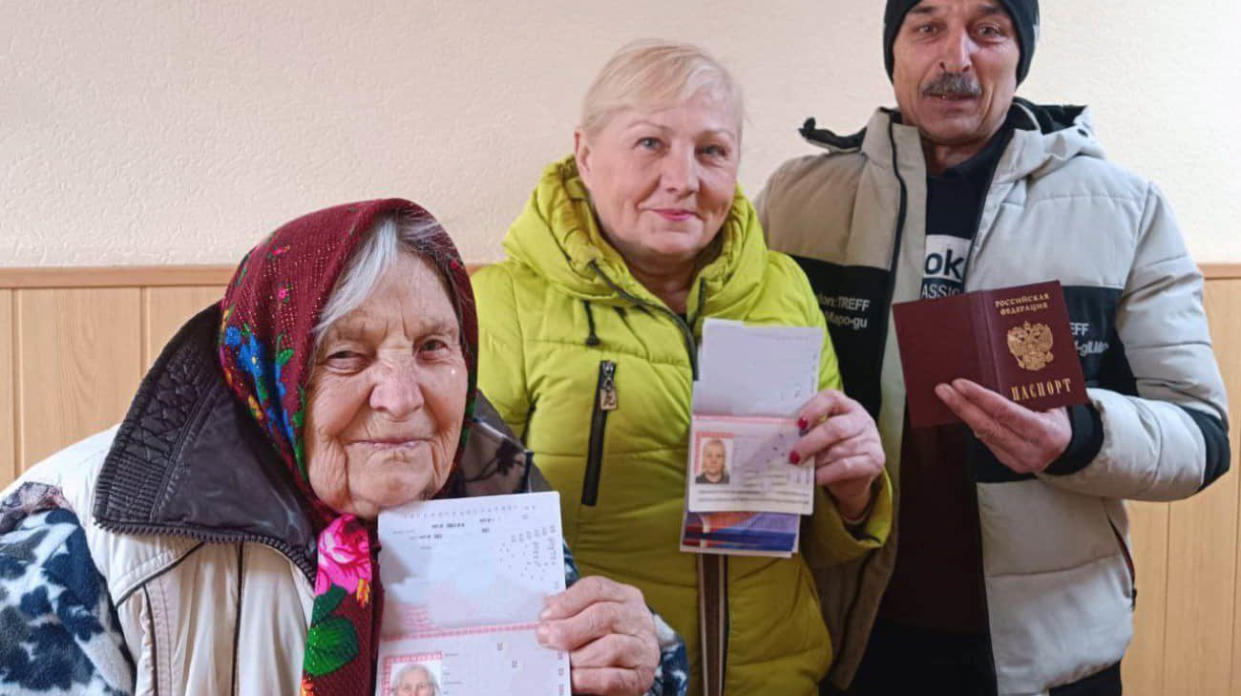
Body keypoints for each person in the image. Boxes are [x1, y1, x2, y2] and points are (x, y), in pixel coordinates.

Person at [0, 200, 690, 696]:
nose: (400, 396)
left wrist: (640, 665)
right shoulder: (81, 534)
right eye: (347, 356)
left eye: (431, 348)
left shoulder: (494, 498)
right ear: (273, 373)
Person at [756, 1, 1231, 694]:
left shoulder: (1126, 210)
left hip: (1051, 652)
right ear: (893, 52)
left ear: (1020, 54)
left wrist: (1081, 437)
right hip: (846, 638)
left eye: (988, 29)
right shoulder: (797, 203)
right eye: (925, 28)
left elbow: (1201, 437)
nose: (956, 57)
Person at [472, 41, 893, 695]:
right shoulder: (502, 305)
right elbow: (462, 554)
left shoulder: (782, 289)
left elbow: (821, 541)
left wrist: (854, 489)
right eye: (649, 143)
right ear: (585, 153)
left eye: (711, 151)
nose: (682, 179)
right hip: (609, 686)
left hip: (777, 678)